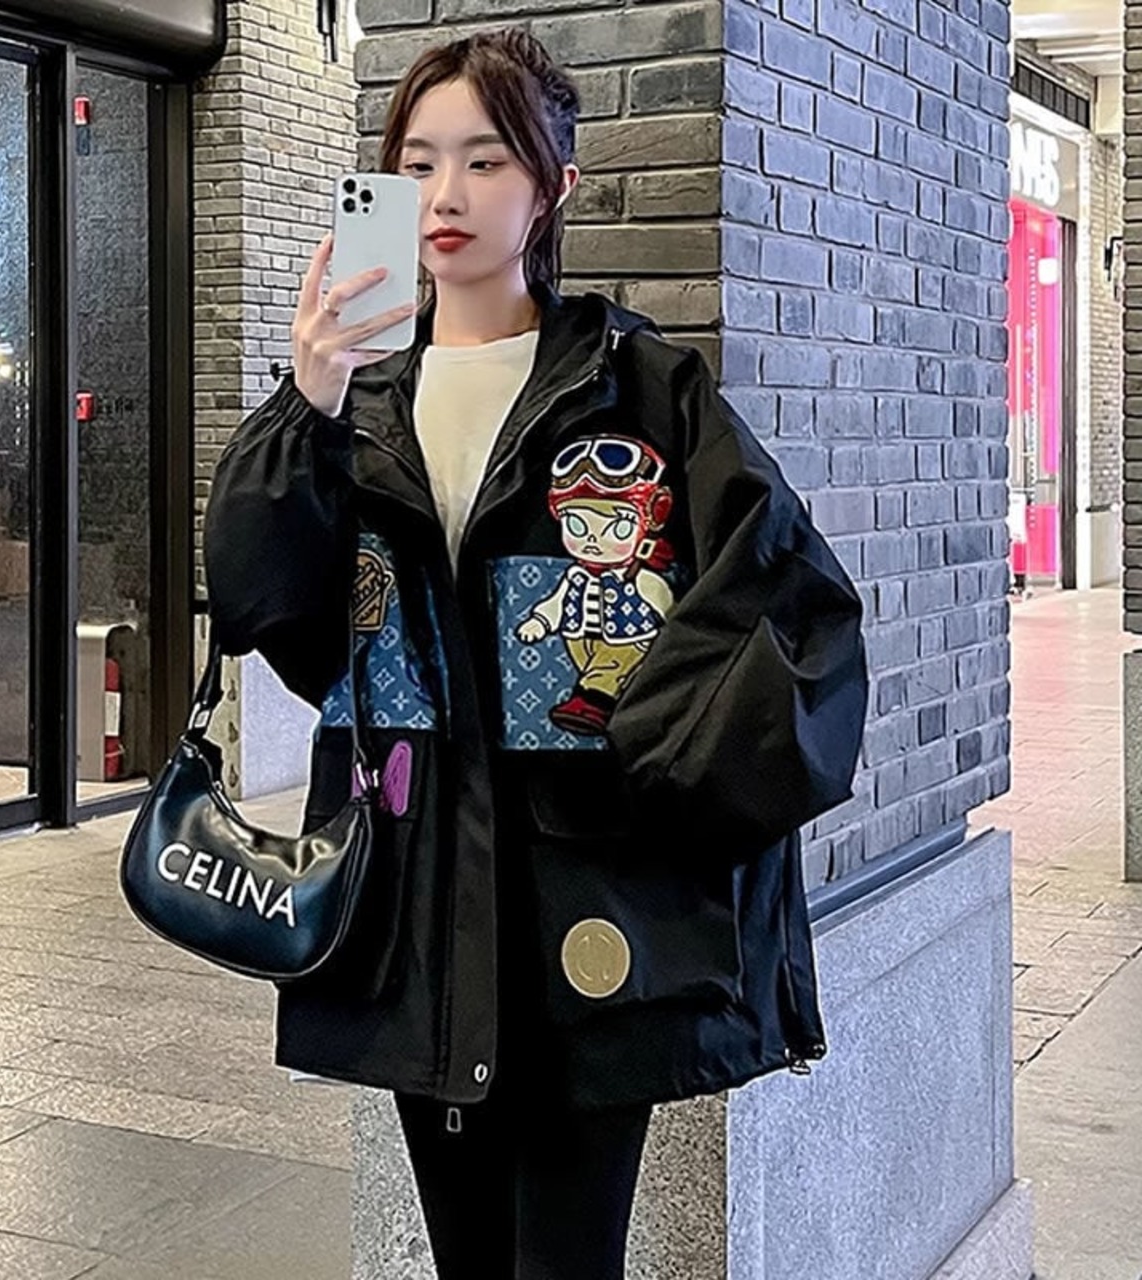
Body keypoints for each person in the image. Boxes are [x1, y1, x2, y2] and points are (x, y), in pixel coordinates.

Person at [204, 27, 868, 1280]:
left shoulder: (641, 391)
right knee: (465, 1256)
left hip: (586, 901)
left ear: (552, 185)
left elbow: (789, 601)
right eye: (417, 163)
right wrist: (307, 398)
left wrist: (648, 755)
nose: (445, 194)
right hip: (410, 894)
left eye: (485, 159)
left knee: (567, 1257)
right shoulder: (358, 405)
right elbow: (261, 608)